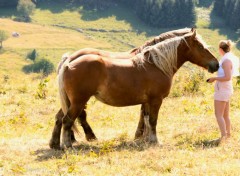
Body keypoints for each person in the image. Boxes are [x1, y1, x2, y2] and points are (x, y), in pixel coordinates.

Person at [207, 40, 239, 144]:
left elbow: (228, 77)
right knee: (225, 115)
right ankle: (228, 135)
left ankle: (223, 137)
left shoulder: (226, 61)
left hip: (223, 90)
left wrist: (214, 78)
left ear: (221, 50)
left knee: (218, 114)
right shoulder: (227, 59)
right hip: (225, 89)